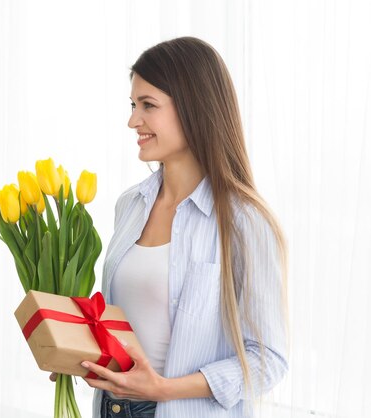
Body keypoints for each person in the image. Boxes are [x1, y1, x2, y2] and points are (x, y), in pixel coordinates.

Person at [80, 37, 288, 417]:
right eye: (132, 105)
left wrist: (164, 389)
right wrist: (83, 356)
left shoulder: (245, 223)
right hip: (112, 408)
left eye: (148, 105)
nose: (132, 120)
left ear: (194, 108)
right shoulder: (130, 205)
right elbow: (126, 322)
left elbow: (267, 360)